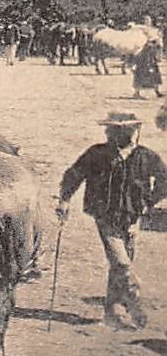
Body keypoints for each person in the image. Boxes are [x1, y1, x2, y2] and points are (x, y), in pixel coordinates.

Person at [58, 112, 167, 330]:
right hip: (105, 216)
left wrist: (149, 204)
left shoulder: (146, 156)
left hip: (133, 218)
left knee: (120, 265)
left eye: (127, 130)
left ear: (135, 131)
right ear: (110, 132)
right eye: (116, 130)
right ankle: (135, 303)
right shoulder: (97, 154)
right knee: (122, 263)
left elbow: (164, 179)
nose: (123, 134)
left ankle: (112, 312)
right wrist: (64, 200)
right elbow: (74, 174)